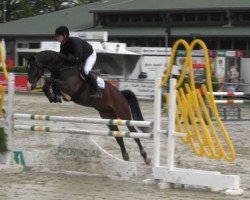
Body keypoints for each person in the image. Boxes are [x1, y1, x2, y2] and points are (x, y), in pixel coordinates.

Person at [55, 25, 102, 98]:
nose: (56, 38)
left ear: (64, 35)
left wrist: (63, 57)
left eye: (58, 36)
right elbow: (62, 57)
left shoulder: (75, 42)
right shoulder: (63, 45)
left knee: (86, 70)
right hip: (80, 57)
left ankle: (97, 91)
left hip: (89, 56)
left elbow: (77, 59)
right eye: (56, 36)